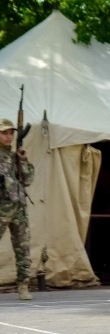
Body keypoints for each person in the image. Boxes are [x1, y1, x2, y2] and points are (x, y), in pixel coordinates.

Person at [0, 119, 34, 301]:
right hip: (1, 208)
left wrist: (23, 159)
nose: (8, 137)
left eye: (11, 133)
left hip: (19, 209)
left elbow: (27, 180)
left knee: (23, 249)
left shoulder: (15, 156)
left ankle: (23, 285)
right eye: (4, 133)